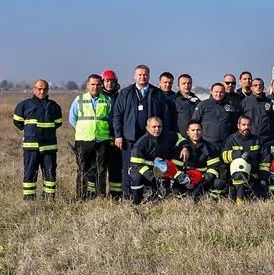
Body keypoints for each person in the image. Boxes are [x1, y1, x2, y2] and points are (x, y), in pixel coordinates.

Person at [112, 65, 170, 199]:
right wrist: (118, 135)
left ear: (149, 76)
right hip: (130, 138)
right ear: (135, 76)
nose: (142, 77)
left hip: (152, 139)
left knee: (155, 166)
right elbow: (117, 115)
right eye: (140, 74)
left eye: (145, 75)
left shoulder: (157, 93)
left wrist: (164, 135)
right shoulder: (125, 93)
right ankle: (128, 195)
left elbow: (165, 116)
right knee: (128, 167)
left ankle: (156, 194)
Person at [13, 79, 63, 200]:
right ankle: (29, 201)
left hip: (49, 147)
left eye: (45, 89)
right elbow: (18, 122)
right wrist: (30, 132)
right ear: (34, 89)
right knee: (30, 174)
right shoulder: (24, 105)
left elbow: (58, 122)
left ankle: (49, 200)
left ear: (48, 90)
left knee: (50, 175)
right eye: (39, 89)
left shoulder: (54, 106)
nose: (42, 91)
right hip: (31, 147)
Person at [68, 74, 113, 199]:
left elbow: (111, 119)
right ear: (87, 85)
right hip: (84, 140)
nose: (95, 87)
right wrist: (83, 129)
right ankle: (81, 196)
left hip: (102, 140)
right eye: (92, 84)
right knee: (83, 169)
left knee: (101, 170)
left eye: (98, 84)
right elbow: (72, 119)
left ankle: (100, 196)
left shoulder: (108, 100)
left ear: (102, 85)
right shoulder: (79, 99)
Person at [127, 116, 188, 204]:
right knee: (137, 177)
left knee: (162, 194)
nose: (157, 129)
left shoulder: (167, 136)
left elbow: (180, 137)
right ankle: (137, 201)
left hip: (160, 167)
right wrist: (153, 178)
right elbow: (137, 164)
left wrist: (185, 147)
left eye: (159, 126)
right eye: (154, 127)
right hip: (141, 169)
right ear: (147, 128)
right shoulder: (140, 143)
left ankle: (166, 192)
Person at [174, 121, 225, 200]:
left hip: (203, 181)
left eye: (198, 130)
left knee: (219, 183)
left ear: (202, 131)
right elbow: (175, 168)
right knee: (176, 188)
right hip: (186, 181)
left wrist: (200, 180)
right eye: (193, 130)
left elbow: (214, 169)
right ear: (187, 132)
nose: (196, 133)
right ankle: (186, 199)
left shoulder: (210, 148)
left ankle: (210, 200)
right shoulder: (182, 148)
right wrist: (184, 181)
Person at [219, 115, 263, 202]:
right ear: (238, 126)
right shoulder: (231, 140)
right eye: (244, 124)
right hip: (235, 176)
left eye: (248, 125)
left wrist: (263, 177)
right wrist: (239, 154)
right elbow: (223, 157)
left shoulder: (257, 140)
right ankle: (239, 199)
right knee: (239, 163)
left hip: (253, 174)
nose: (246, 127)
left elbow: (265, 160)